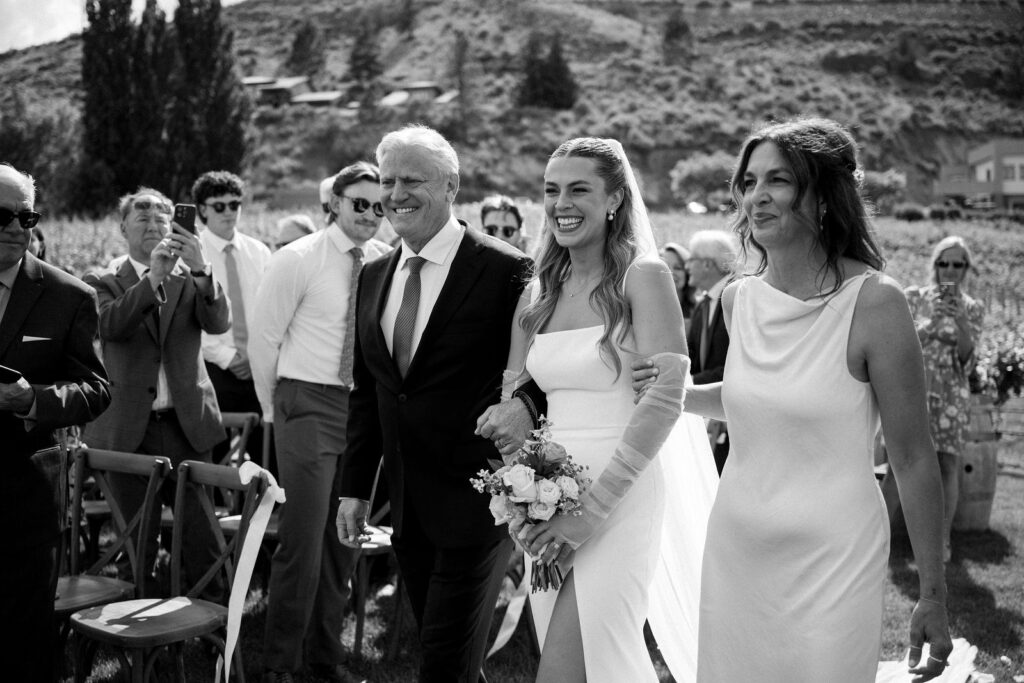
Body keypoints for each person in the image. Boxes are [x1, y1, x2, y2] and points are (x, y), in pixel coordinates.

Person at [636, 117, 953, 681]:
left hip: (835, 556)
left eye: (778, 180)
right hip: (738, 548)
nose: (757, 196)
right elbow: (755, 398)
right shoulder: (738, 300)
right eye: (749, 182)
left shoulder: (876, 303)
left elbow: (911, 456)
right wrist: (676, 395)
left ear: (824, 197)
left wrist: (932, 593)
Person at [486, 137, 718, 683]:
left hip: (622, 493)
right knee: (600, 668)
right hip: (549, 497)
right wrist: (525, 505)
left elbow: (664, 401)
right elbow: (513, 405)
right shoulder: (536, 292)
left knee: (574, 667)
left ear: (614, 199)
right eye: (551, 191)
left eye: (579, 190)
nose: (561, 204)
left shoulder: (644, 276)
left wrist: (588, 514)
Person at [335, 125, 545, 683]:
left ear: (451, 186)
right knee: (449, 651)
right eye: (388, 181)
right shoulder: (373, 274)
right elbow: (371, 391)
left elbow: (539, 376)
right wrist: (355, 488)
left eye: (413, 180)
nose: (395, 193)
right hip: (407, 507)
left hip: (478, 502)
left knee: (443, 661)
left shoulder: (506, 269)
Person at [250, 162, 391, 683]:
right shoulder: (297, 258)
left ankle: (325, 658)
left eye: (380, 206)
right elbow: (263, 341)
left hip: (360, 411)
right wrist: (276, 409)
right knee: (304, 540)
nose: (370, 214)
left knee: (345, 539)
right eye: (360, 203)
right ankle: (279, 664)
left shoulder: (386, 261)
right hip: (305, 401)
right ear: (333, 202)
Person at [83, 187, 230, 600]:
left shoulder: (192, 278)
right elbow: (110, 325)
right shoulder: (101, 280)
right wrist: (153, 278)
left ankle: (211, 626)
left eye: (162, 218)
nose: (153, 224)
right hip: (129, 431)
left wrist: (201, 269)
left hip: (188, 427)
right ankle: (133, 626)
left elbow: (218, 323)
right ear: (123, 227)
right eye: (142, 217)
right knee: (136, 542)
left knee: (201, 538)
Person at [0, 163, 110, 683]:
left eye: (26, 217)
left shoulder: (69, 295)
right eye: (2, 216)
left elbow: (95, 388)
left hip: (21, 500)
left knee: (24, 642)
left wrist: (34, 400)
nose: (15, 227)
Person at [896, 235, 983, 562]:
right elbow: (900, 346)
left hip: (951, 394)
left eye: (958, 264)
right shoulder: (914, 298)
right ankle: (883, 537)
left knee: (947, 464)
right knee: (899, 462)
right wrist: (931, 322)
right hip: (913, 389)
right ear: (934, 264)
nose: (950, 269)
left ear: (966, 268)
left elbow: (967, 362)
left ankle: (942, 541)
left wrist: (962, 324)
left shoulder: (972, 308)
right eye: (943, 262)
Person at [194, 171, 275, 474]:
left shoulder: (259, 251)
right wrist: (228, 357)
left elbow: (270, 311)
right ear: (202, 209)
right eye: (219, 206)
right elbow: (189, 319)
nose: (229, 212)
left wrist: (255, 356)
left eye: (234, 204)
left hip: (257, 368)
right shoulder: (193, 254)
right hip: (212, 368)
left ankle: (260, 504)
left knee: (266, 455)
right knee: (215, 458)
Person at [685, 230, 738, 475]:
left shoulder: (738, 297)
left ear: (707, 264)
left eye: (691, 260)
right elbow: (694, 360)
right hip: (707, 415)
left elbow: (736, 366)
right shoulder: (703, 305)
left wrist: (688, 385)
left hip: (734, 420)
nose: (687, 266)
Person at [659, 241, 697, 323]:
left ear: (687, 274)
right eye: (665, 267)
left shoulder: (700, 309)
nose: (670, 272)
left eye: (678, 268)